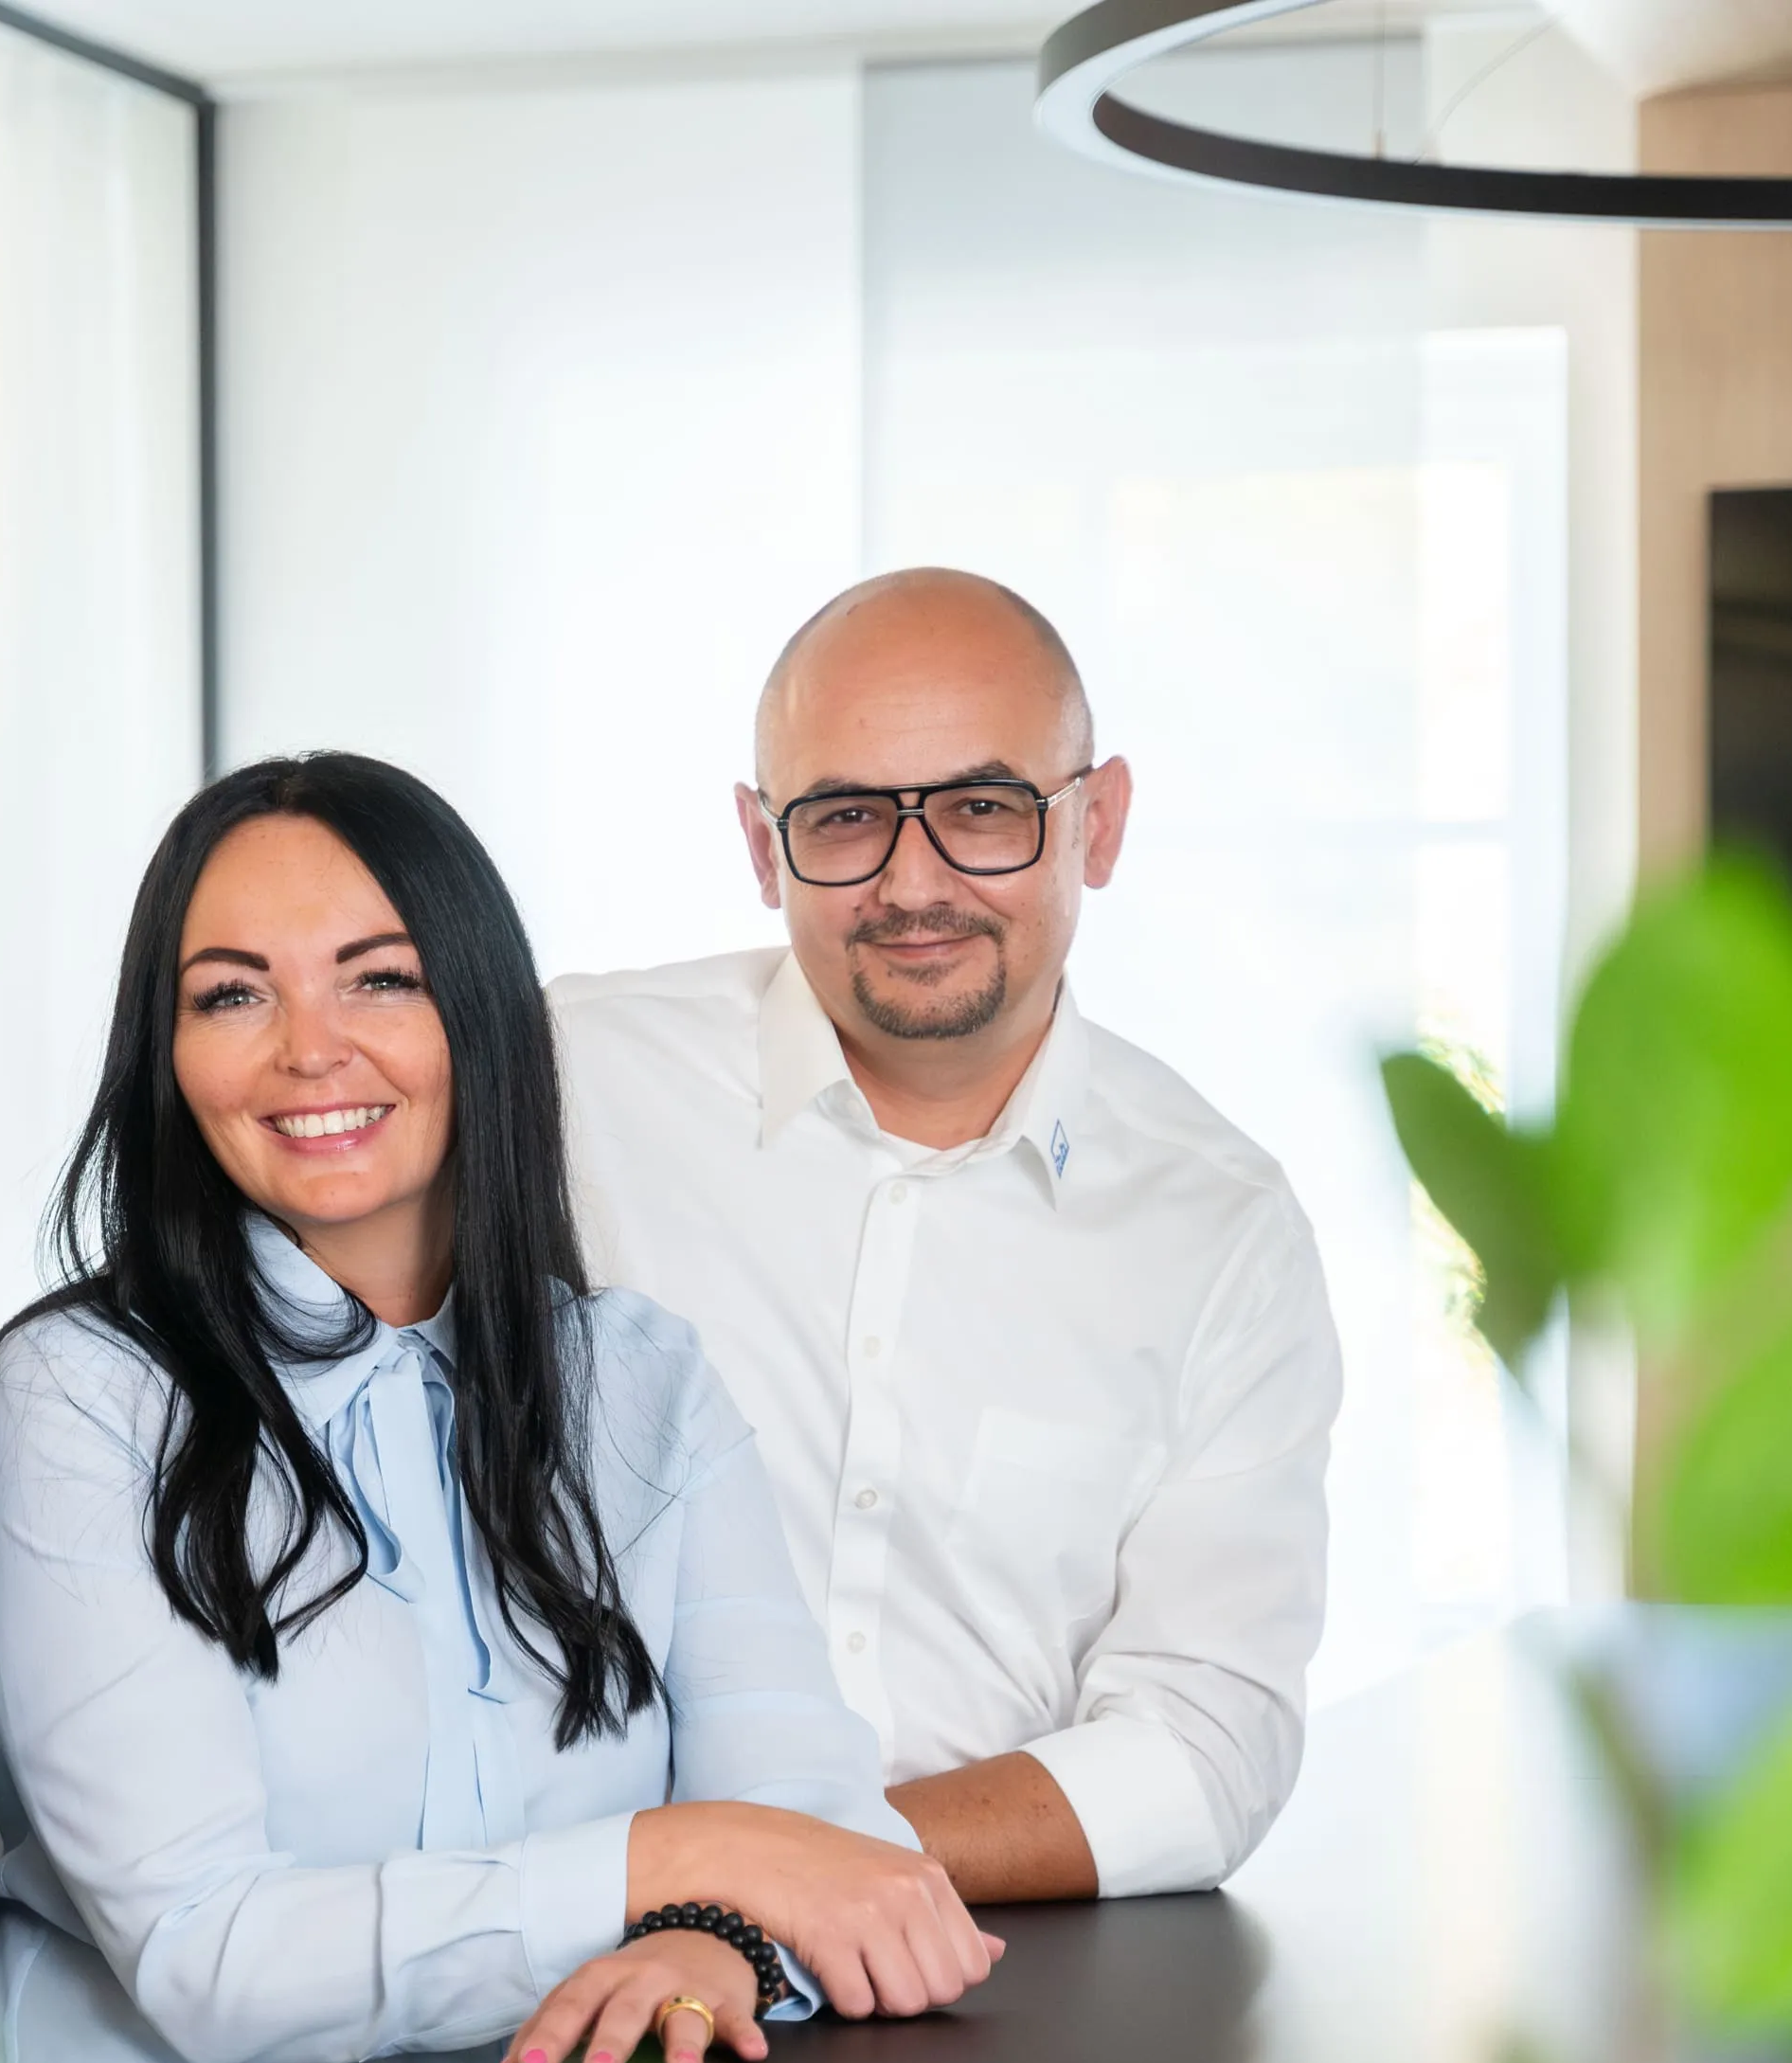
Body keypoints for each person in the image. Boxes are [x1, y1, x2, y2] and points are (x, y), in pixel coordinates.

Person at [0, 748, 1005, 2063]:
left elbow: (811, 1817)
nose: (310, 1047)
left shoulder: (639, 1381)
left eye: (381, 978)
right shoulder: (86, 1396)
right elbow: (210, 1963)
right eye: (233, 993)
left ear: (480, 1017)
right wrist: (682, 1859)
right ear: (170, 1051)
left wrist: (717, 1937)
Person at [550, 570, 1341, 1905]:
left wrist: (780, 1874)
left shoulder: (1223, 1232)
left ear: (1098, 821)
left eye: (984, 809)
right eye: (846, 817)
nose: (913, 884)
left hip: (1005, 1955)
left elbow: (1209, 1747)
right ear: (762, 845)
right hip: (572, 1961)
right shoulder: (563, 1080)